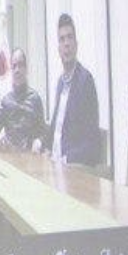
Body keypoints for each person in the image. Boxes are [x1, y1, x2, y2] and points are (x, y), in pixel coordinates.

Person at [40, 12, 103, 165]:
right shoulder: (60, 83)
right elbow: (55, 127)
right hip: (54, 164)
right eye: (62, 39)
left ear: (76, 44)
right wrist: (43, 145)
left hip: (71, 167)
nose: (66, 44)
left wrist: (65, 160)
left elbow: (91, 142)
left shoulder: (85, 81)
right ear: (58, 49)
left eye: (70, 38)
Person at [0, 54, 47, 147]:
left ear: (26, 69)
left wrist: (39, 141)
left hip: (29, 153)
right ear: (11, 70)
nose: (17, 70)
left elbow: (43, 132)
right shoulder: (6, 100)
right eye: (14, 66)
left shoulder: (35, 99)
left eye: (20, 65)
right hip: (10, 153)